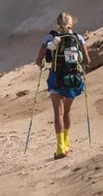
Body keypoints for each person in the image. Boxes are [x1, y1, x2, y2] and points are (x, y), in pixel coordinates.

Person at [34, 12, 91, 159]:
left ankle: (60, 148)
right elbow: (87, 60)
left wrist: (43, 62)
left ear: (57, 24)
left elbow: (38, 60)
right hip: (73, 78)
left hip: (56, 78)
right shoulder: (78, 38)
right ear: (72, 23)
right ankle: (67, 144)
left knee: (57, 114)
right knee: (67, 112)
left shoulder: (50, 37)